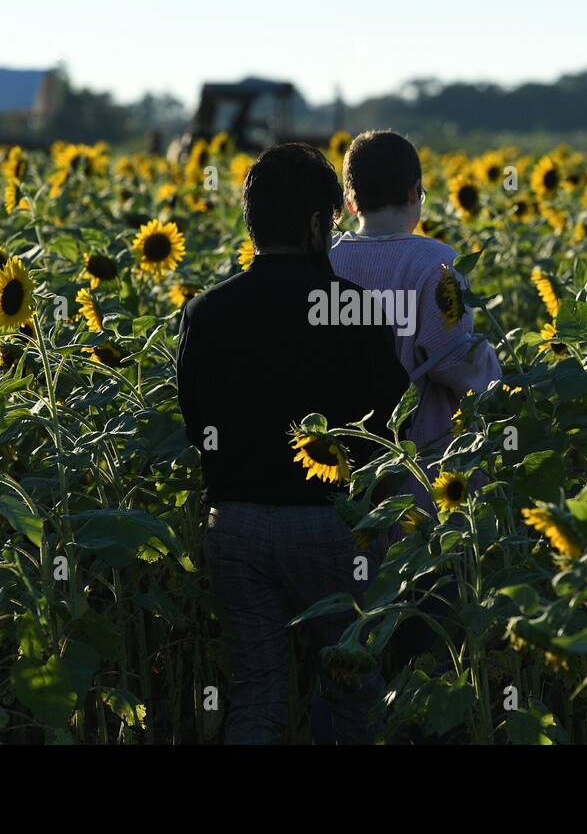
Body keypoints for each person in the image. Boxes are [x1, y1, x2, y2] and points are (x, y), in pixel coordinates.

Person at [176, 142, 409, 744]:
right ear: (314, 224)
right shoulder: (355, 310)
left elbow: (196, 423)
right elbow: (390, 426)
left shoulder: (208, 313)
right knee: (354, 697)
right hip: (334, 530)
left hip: (238, 526)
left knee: (256, 701)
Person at [330, 130, 501, 505]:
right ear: (413, 194)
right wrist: (497, 370)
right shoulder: (435, 263)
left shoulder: (327, 261)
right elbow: (453, 361)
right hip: (422, 466)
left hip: (342, 457)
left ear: (350, 201)